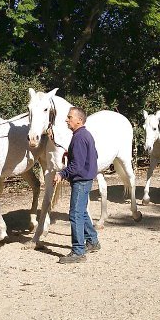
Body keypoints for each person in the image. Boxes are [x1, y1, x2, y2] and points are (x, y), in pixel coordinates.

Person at [55, 107, 100, 264]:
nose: (67, 120)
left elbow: (77, 166)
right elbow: (93, 155)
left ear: (79, 120)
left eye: (69, 117)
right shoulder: (85, 135)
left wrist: (62, 174)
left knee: (75, 214)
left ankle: (78, 251)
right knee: (81, 212)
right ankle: (93, 241)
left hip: (81, 181)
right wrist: (72, 154)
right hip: (86, 179)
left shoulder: (79, 138)